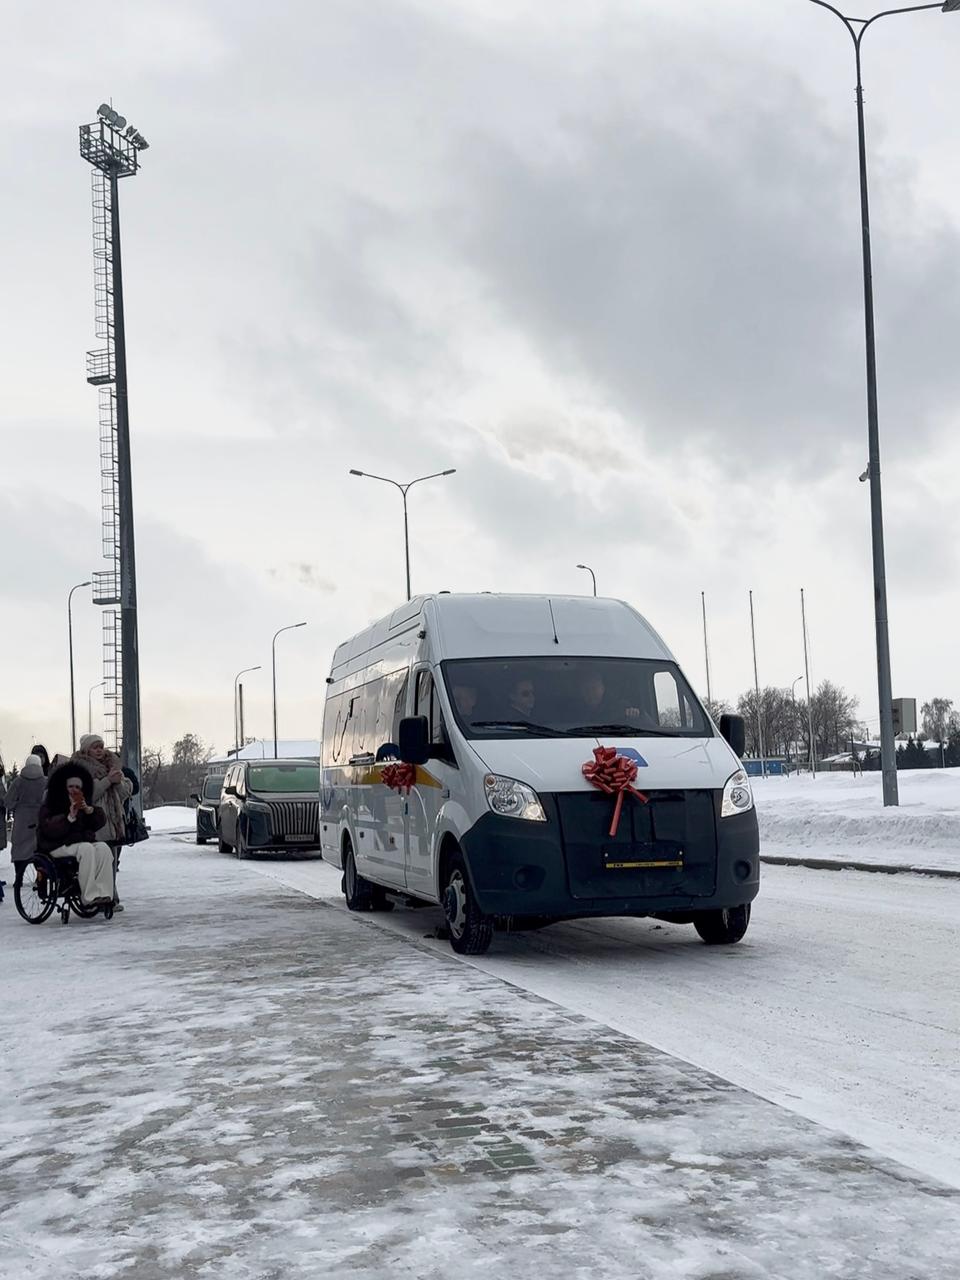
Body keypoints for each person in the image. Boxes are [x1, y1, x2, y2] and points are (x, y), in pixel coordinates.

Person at [36, 763, 115, 907]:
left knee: (103, 848)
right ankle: (89, 896)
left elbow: (97, 823)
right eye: (71, 786)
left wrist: (90, 811)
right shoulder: (51, 803)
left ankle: (104, 893)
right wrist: (69, 818)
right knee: (86, 849)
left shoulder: (83, 803)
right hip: (56, 845)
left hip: (79, 842)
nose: (74, 790)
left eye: (78, 787)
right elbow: (48, 828)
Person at [72, 735, 133, 908]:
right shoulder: (79, 769)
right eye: (95, 747)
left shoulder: (111, 765)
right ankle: (99, 897)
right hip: (93, 823)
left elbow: (125, 793)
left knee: (112, 861)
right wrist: (107, 781)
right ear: (86, 750)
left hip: (112, 822)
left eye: (101, 746)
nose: (99, 750)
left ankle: (110, 897)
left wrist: (119, 782)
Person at [5, 754, 47, 890]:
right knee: (40, 850)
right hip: (40, 817)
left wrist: (18, 805)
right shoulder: (46, 781)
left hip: (22, 819)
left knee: (20, 849)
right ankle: (41, 878)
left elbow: (8, 801)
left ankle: (19, 878)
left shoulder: (18, 781)